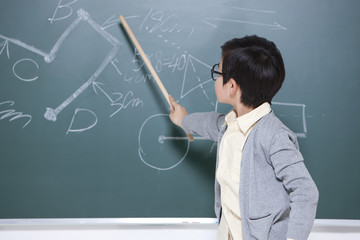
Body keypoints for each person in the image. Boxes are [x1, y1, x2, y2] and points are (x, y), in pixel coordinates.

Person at [169, 35, 319, 240]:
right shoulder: (228, 125)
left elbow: (306, 191)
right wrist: (183, 120)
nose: (215, 77)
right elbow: (208, 123)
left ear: (231, 87)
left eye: (218, 72)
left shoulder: (274, 136)